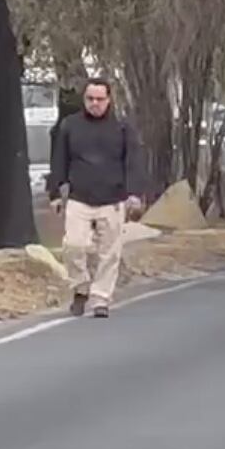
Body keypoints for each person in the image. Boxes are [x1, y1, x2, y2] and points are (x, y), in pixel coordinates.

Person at [48, 79, 147, 318]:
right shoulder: (70, 126)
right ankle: (80, 288)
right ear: (84, 100)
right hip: (79, 197)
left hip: (112, 199)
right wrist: (55, 193)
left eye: (99, 99)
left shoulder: (122, 128)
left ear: (109, 100)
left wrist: (134, 194)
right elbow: (59, 160)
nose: (95, 103)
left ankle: (101, 298)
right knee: (73, 246)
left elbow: (133, 162)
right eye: (90, 99)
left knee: (109, 252)